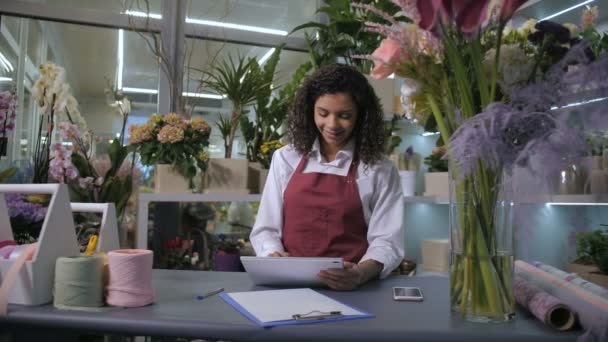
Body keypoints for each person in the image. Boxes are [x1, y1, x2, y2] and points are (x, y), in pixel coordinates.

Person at [250, 64, 405, 290]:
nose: (332, 125)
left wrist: (361, 273)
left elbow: (387, 241)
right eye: (323, 113)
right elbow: (266, 229)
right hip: (290, 287)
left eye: (344, 116)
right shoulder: (285, 158)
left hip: (354, 288)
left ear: (361, 116)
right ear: (309, 110)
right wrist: (272, 255)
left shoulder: (379, 168)